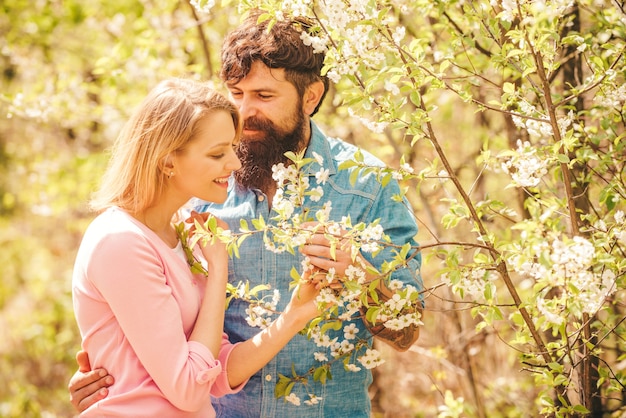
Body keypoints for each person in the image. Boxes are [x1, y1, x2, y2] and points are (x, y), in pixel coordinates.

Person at [69, 10, 424, 417]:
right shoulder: (196, 187)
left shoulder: (367, 187)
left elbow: (406, 331)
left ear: (311, 96)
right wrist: (113, 379)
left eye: (264, 96)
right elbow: (156, 322)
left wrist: (359, 270)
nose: (244, 112)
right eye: (236, 93)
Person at [71, 77, 322, 417]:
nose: (234, 164)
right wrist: (218, 271)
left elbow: (214, 371)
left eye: (232, 148)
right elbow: (189, 389)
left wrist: (295, 315)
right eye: (218, 153)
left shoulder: (179, 233)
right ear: (167, 161)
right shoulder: (121, 242)